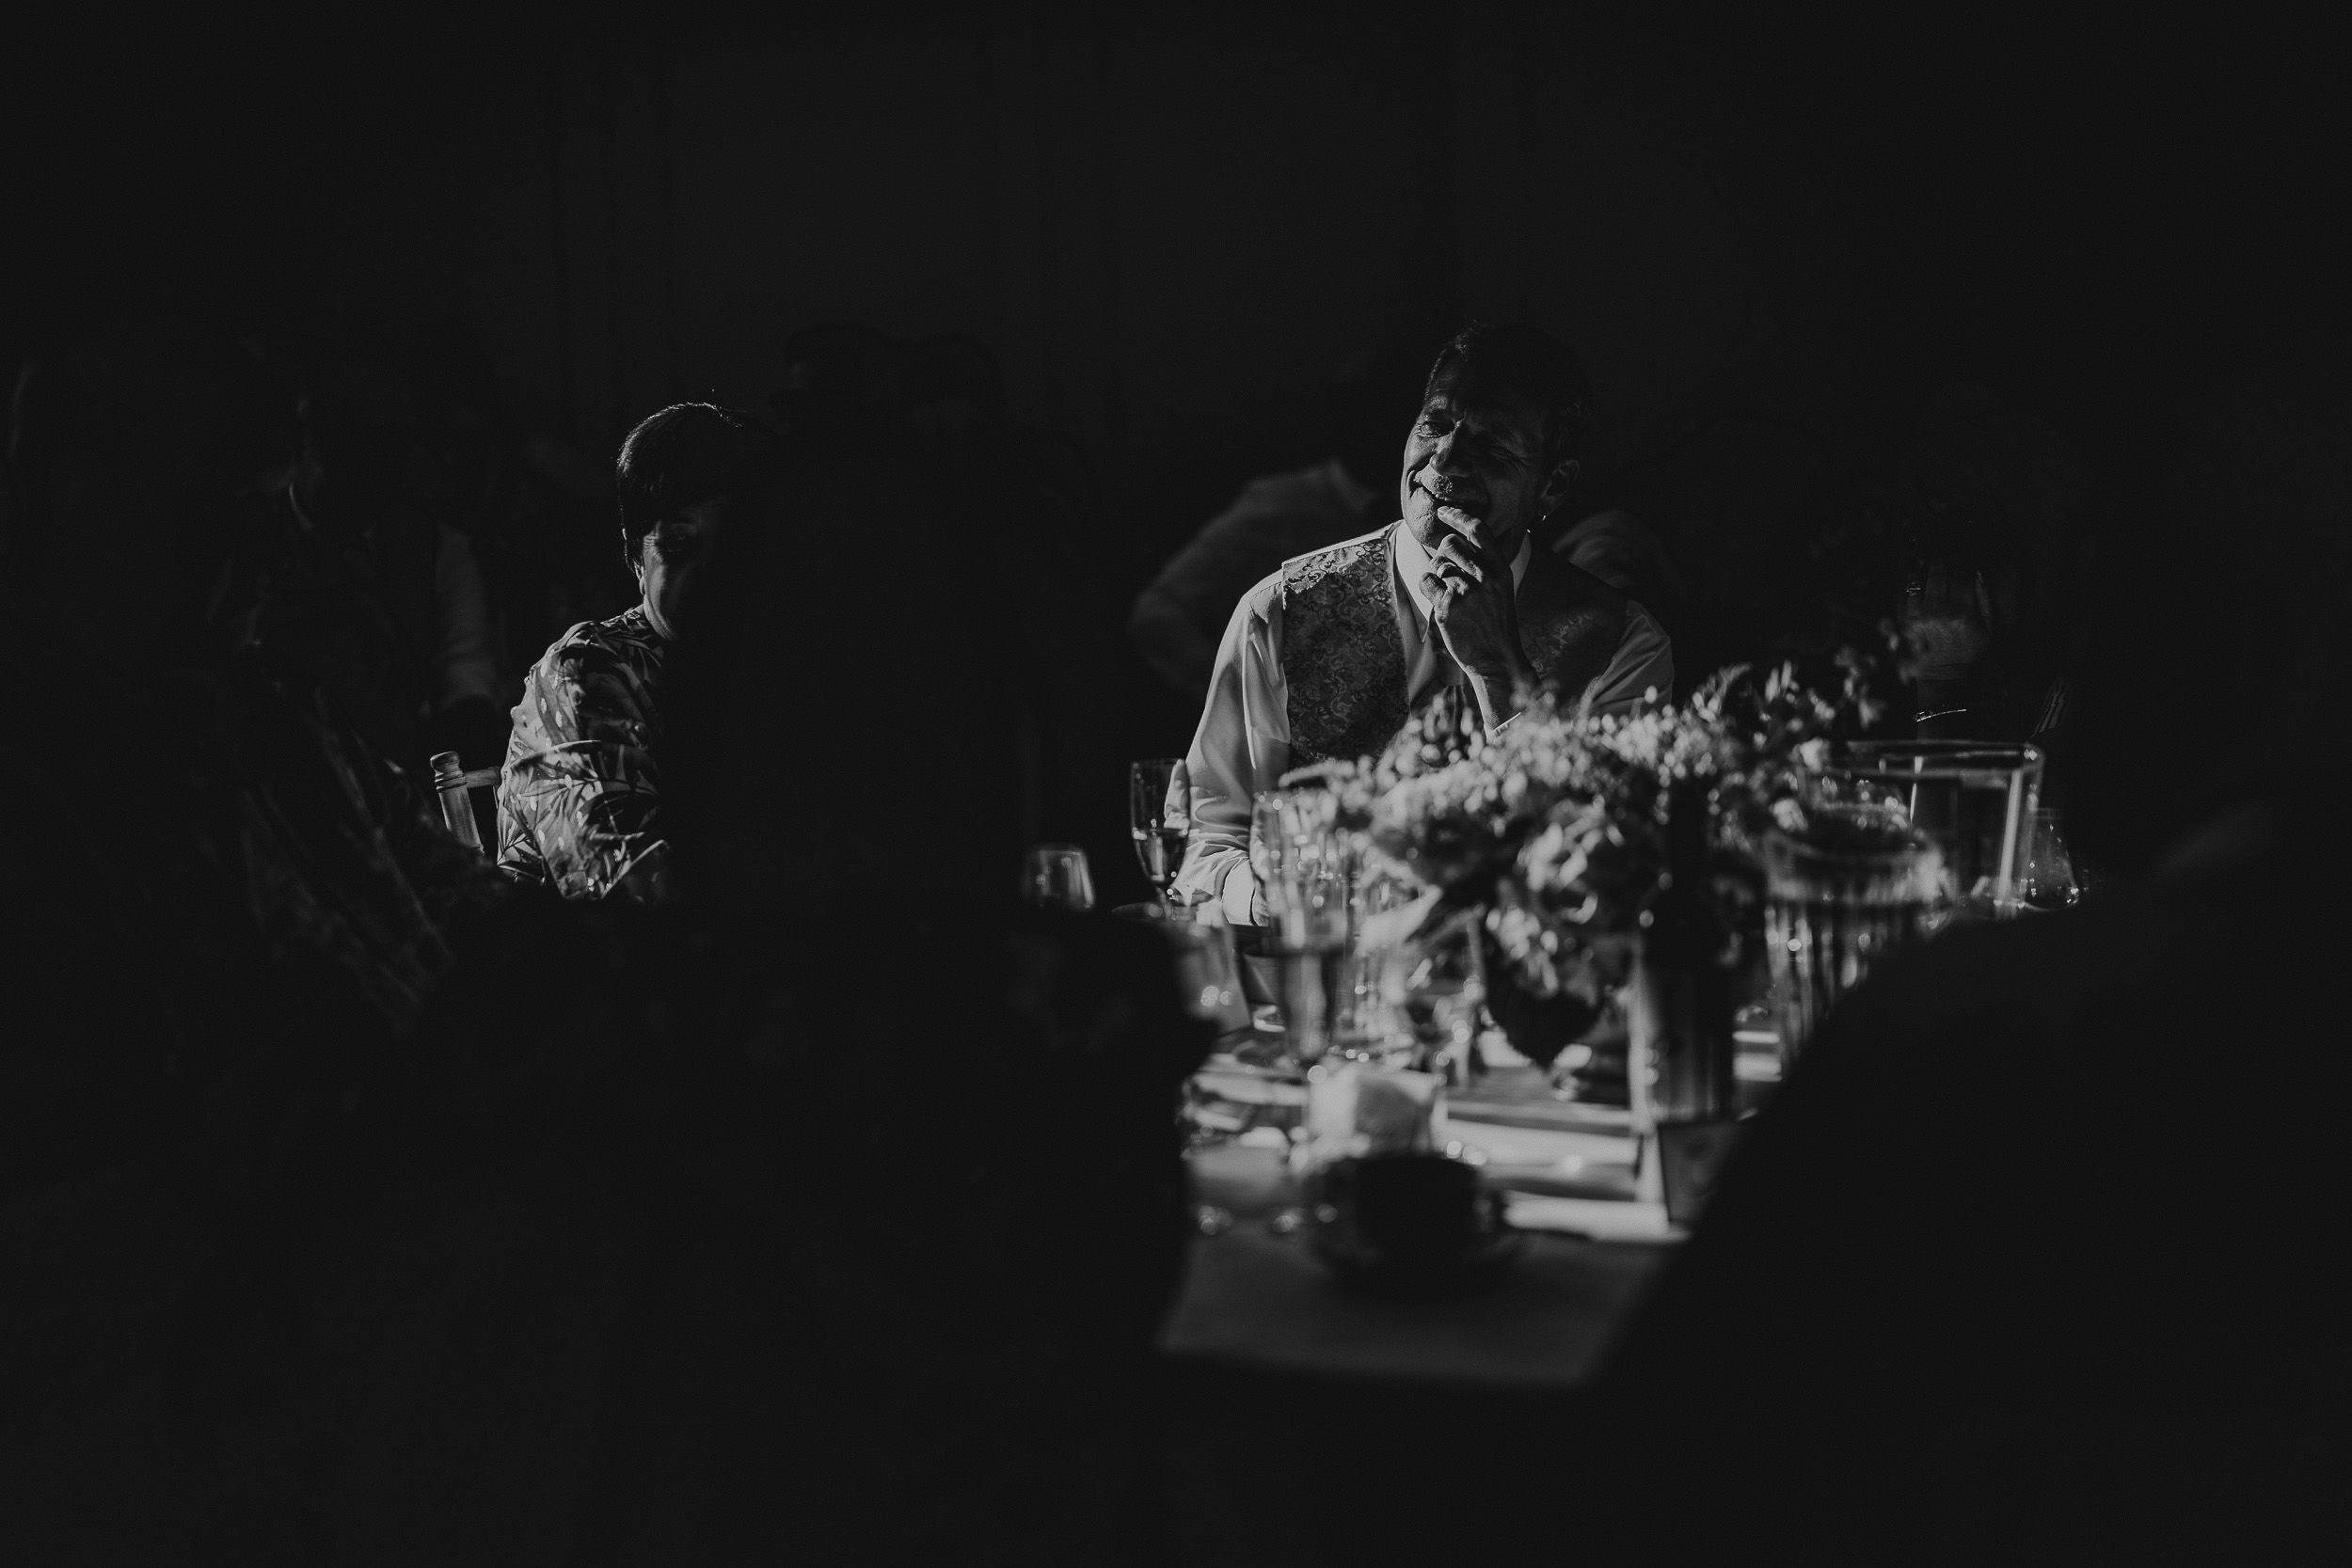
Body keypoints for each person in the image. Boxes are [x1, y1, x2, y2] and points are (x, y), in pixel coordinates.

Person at [1594, 328, 2345, 1560]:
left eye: (2105, 614)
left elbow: (1667, 1452)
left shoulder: (1977, 1031)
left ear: (2247, 653)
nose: (2067, 680)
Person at [1175, 322, 1676, 922]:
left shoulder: (1622, 644)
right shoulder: (1279, 612)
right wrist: (1273, 895)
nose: (1445, 461)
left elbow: (1611, 864)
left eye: (1492, 448)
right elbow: (1207, 843)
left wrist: (1497, 669)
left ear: (1553, 485)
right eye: (1435, 426)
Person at [494, 402, 776, 903]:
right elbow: (629, 888)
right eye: (680, 546)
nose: (715, 578)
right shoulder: (588, 673)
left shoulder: (777, 661)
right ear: (634, 556)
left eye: (738, 546)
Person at [247, 347, 506, 777]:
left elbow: (465, 666)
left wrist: (467, 722)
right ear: (306, 439)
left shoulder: (436, 546)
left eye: (384, 460)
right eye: (345, 456)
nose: (364, 480)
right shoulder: (246, 534)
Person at [1130, 345, 1428, 705]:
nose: (1371, 425)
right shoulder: (1279, 508)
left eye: (1389, 409)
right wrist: (1242, 698)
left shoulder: (1433, 512)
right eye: (1355, 409)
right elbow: (1159, 613)